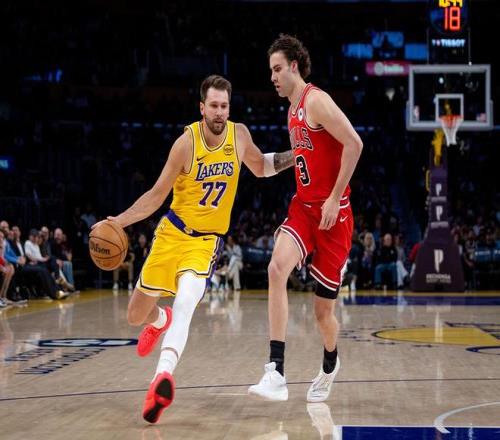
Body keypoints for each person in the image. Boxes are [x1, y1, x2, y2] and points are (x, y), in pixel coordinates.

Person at [93, 75, 294, 423]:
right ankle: (160, 320)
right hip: (171, 234)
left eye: (224, 106)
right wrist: (119, 221)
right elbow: (156, 195)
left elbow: (261, 166)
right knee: (135, 315)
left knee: (186, 301)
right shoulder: (186, 144)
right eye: (213, 106)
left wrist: (298, 155)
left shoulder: (238, 135)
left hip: (205, 242)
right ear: (202, 108)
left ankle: (161, 379)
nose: (219, 112)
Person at [249, 35, 363, 402]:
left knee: (322, 313)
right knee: (276, 268)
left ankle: (330, 363)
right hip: (304, 208)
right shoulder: (291, 110)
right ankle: (276, 372)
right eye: (270, 71)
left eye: (277, 69)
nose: (273, 77)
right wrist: (266, 164)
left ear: (294, 66)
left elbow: (355, 144)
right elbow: (303, 155)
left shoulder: (316, 100)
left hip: (334, 217)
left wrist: (334, 198)